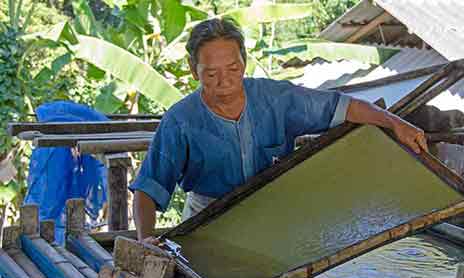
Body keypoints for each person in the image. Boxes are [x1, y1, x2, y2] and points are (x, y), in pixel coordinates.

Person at [130, 18, 428, 244]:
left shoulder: (276, 99)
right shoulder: (180, 121)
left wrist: (395, 123)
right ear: (193, 70)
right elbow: (147, 189)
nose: (225, 81)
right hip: (206, 224)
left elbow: (342, 106)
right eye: (211, 73)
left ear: (244, 62)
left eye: (233, 69)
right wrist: (146, 241)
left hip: (273, 219)